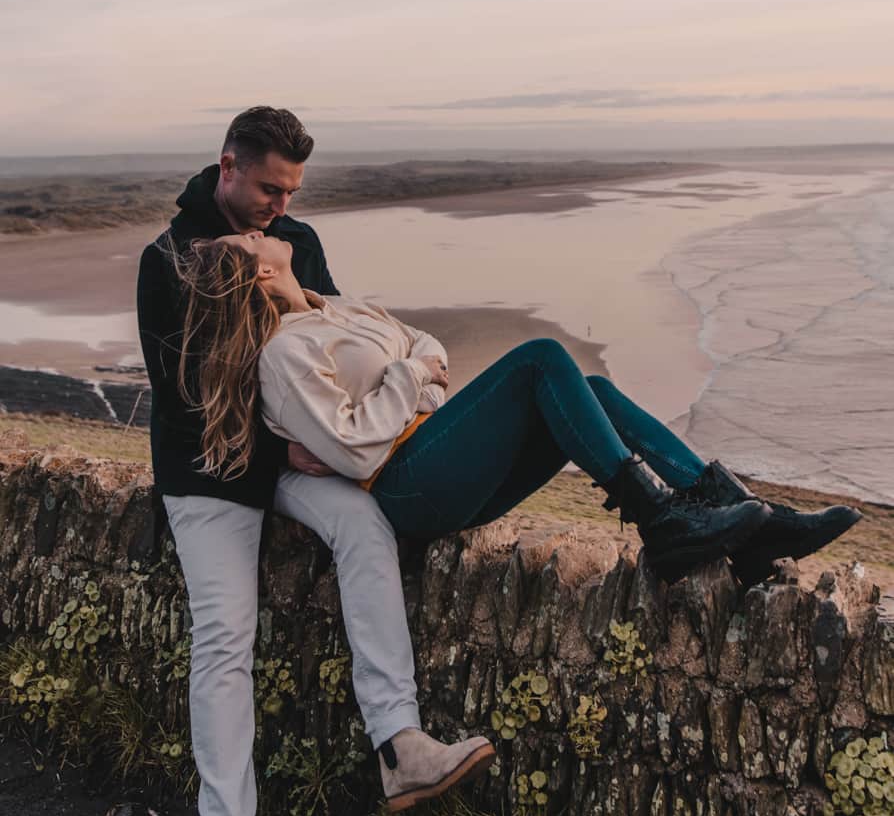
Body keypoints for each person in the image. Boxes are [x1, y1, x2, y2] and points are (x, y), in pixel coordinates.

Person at [137, 108, 493, 816]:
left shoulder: (296, 244)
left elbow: (337, 348)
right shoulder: (168, 257)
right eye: (271, 188)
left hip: (296, 457)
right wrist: (292, 446)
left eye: (293, 191)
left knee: (366, 525)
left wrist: (331, 434)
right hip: (210, 473)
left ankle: (401, 746)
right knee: (226, 639)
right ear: (227, 166)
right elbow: (182, 405)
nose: (283, 206)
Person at [165, 229, 861, 598]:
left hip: (433, 448)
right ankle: (664, 521)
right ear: (257, 273)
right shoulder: (284, 356)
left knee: (590, 390)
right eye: (254, 239)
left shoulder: (332, 308)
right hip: (408, 487)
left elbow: (429, 348)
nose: (265, 232)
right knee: (539, 361)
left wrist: (417, 381)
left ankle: (745, 519)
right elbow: (354, 450)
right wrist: (412, 379)